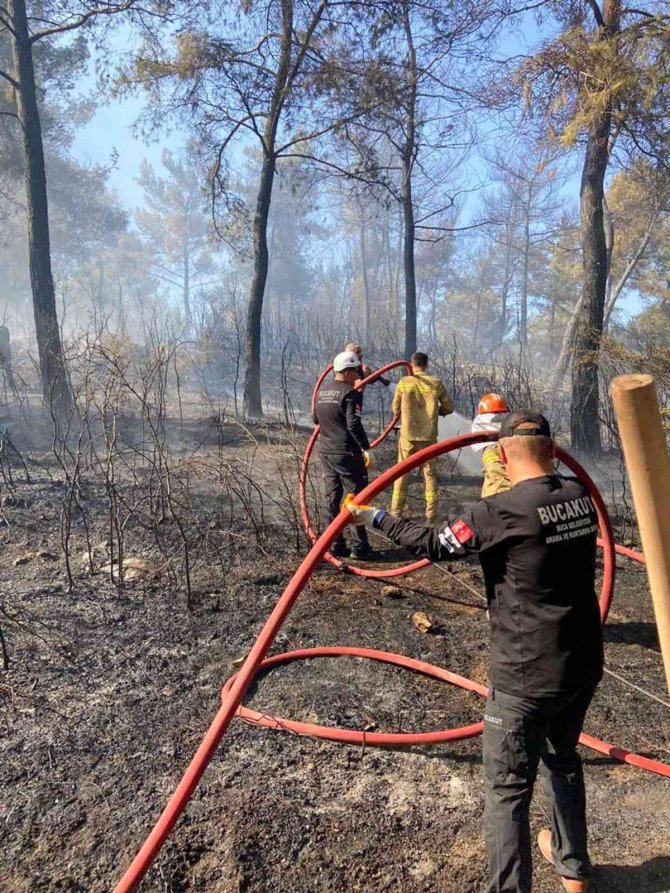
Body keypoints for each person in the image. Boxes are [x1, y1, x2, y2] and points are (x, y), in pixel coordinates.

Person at [344, 410, 603, 893]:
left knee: (507, 791)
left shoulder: (499, 511)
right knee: (562, 759)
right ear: (553, 450)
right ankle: (574, 872)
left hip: (525, 677)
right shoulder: (580, 497)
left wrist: (371, 516)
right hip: (582, 663)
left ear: (501, 456)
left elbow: (432, 543)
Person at [313, 350, 377, 560]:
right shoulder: (350, 393)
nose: (358, 375)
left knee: (332, 499)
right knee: (357, 498)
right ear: (348, 371)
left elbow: (315, 419)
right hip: (347, 454)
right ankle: (359, 548)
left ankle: (335, 544)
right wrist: (366, 448)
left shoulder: (322, 391)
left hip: (326, 452)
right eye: (356, 371)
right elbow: (353, 423)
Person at [390, 352, 453, 522]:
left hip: (408, 437)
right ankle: (431, 515)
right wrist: (437, 411)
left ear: (412, 365)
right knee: (429, 475)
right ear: (426, 365)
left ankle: (396, 512)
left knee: (401, 474)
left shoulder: (404, 383)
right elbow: (449, 407)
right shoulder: (436, 383)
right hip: (429, 438)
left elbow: (395, 409)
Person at [471, 393, 511, 498]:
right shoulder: (511, 443)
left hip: (498, 500)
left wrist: (512, 499)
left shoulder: (491, 450)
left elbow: (496, 472)